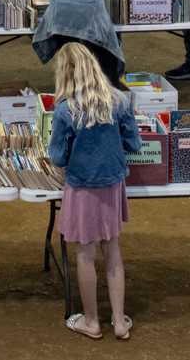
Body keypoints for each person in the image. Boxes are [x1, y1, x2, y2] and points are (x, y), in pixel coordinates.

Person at [49, 41, 138, 341]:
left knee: (85, 254)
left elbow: (58, 156)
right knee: (112, 251)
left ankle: (91, 320)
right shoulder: (120, 101)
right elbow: (134, 144)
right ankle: (120, 321)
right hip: (113, 184)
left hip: (82, 186)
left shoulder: (64, 111)